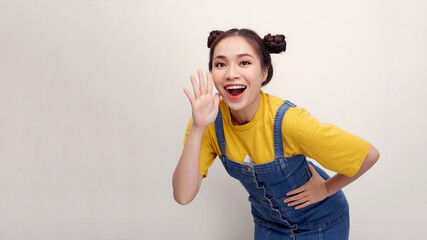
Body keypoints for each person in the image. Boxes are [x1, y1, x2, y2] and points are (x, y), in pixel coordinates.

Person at [172, 28, 379, 239]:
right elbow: (183, 195)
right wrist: (198, 128)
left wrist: (326, 189)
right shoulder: (208, 122)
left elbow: (368, 155)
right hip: (270, 225)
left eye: (244, 62)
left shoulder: (289, 121)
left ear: (264, 72)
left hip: (321, 224)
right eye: (220, 64)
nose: (231, 73)